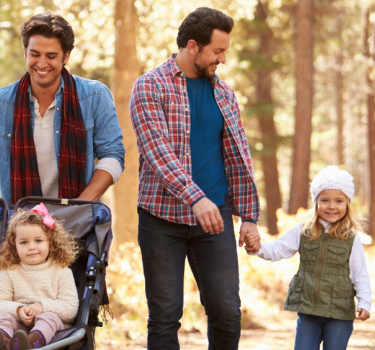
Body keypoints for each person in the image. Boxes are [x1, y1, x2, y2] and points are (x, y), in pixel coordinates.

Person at [129, 7, 261, 349]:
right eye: (217, 52)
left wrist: (248, 216)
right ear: (192, 47)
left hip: (214, 219)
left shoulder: (224, 93)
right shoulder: (148, 87)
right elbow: (157, 153)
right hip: (162, 220)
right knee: (164, 317)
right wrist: (195, 197)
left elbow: (238, 157)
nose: (223, 59)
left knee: (228, 312)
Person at [0, 12, 125, 205]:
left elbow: (112, 156)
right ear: (25, 52)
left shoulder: (95, 97)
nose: (41, 64)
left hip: (80, 223)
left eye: (51, 56)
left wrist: (79, 207)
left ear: (66, 56)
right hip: (20, 227)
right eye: (35, 54)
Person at [244, 166, 371, 349]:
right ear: (316, 202)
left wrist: (365, 302)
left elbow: (360, 274)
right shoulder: (304, 231)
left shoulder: (351, 238)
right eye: (325, 200)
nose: (332, 206)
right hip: (309, 310)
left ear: (347, 204)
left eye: (339, 201)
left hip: (339, 313)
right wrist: (257, 248)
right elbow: (278, 249)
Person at [0, 203, 79, 349]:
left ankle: (31, 343)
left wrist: (42, 307)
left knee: (49, 317)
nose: (31, 247)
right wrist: (18, 310)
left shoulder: (61, 270)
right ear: (14, 245)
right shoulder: (10, 270)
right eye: (24, 242)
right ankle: (3, 342)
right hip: (18, 329)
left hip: (51, 332)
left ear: (50, 243)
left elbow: (70, 309)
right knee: (3, 317)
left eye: (38, 241)